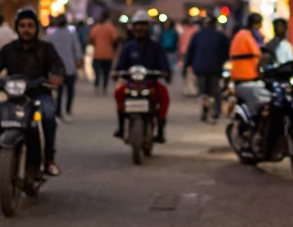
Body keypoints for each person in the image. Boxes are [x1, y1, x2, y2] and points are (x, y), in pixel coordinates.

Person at [0, 7, 65, 176]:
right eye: (22, 26)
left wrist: (56, 77)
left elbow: (58, 67)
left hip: (40, 95)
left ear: (36, 28)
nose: (26, 29)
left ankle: (49, 159)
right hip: (14, 97)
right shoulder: (9, 49)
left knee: (49, 116)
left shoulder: (46, 48)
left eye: (30, 25)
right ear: (17, 28)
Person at [113, 9, 171, 142]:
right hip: (132, 83)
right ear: (133, 27)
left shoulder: (156, 47)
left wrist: (165, 72)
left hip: (151, 83)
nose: (140, 28)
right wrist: (117, 72)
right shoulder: (128, 47)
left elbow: (164, 63)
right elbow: (121, 65)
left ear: (148, 27)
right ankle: (121, 126)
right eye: (137, 25)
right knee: (119, 93)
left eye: (143, 25)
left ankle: (161, 129)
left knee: (164, 96)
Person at [184, 15, 230, 120]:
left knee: (203, 91)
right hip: (215, 68)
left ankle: (205, 111)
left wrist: (187, 65)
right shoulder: (220, 36)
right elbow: (226, 52)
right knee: (215, 91)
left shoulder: (197, 35)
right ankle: (216, 111)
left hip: (200, 68)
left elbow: (190, 51)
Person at [47, 14, 83, 120]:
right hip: (70, 67)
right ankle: (67, 111)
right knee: (70, 91)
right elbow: (77, 49)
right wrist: (79, 60)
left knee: (59, 92)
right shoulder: (71, 34)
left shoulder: (52, 35)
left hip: (57, 69)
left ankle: (58, 113)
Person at [229, 13, 266, 115]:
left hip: (240, 75)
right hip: (247, 76)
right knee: (262, 99)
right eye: (259, 24)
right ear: (255, 24)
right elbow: (258, 54)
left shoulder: (242, 34)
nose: (261, 27)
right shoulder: (249, 37)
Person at [89, 11, 120, 94]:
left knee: (97, 73)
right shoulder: (111, 28)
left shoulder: (96, 28)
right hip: (108, 55)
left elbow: (91, 39)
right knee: (106, 73)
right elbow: (115, 41)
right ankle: (104, 87)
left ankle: (97, 86)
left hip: (97, 55)